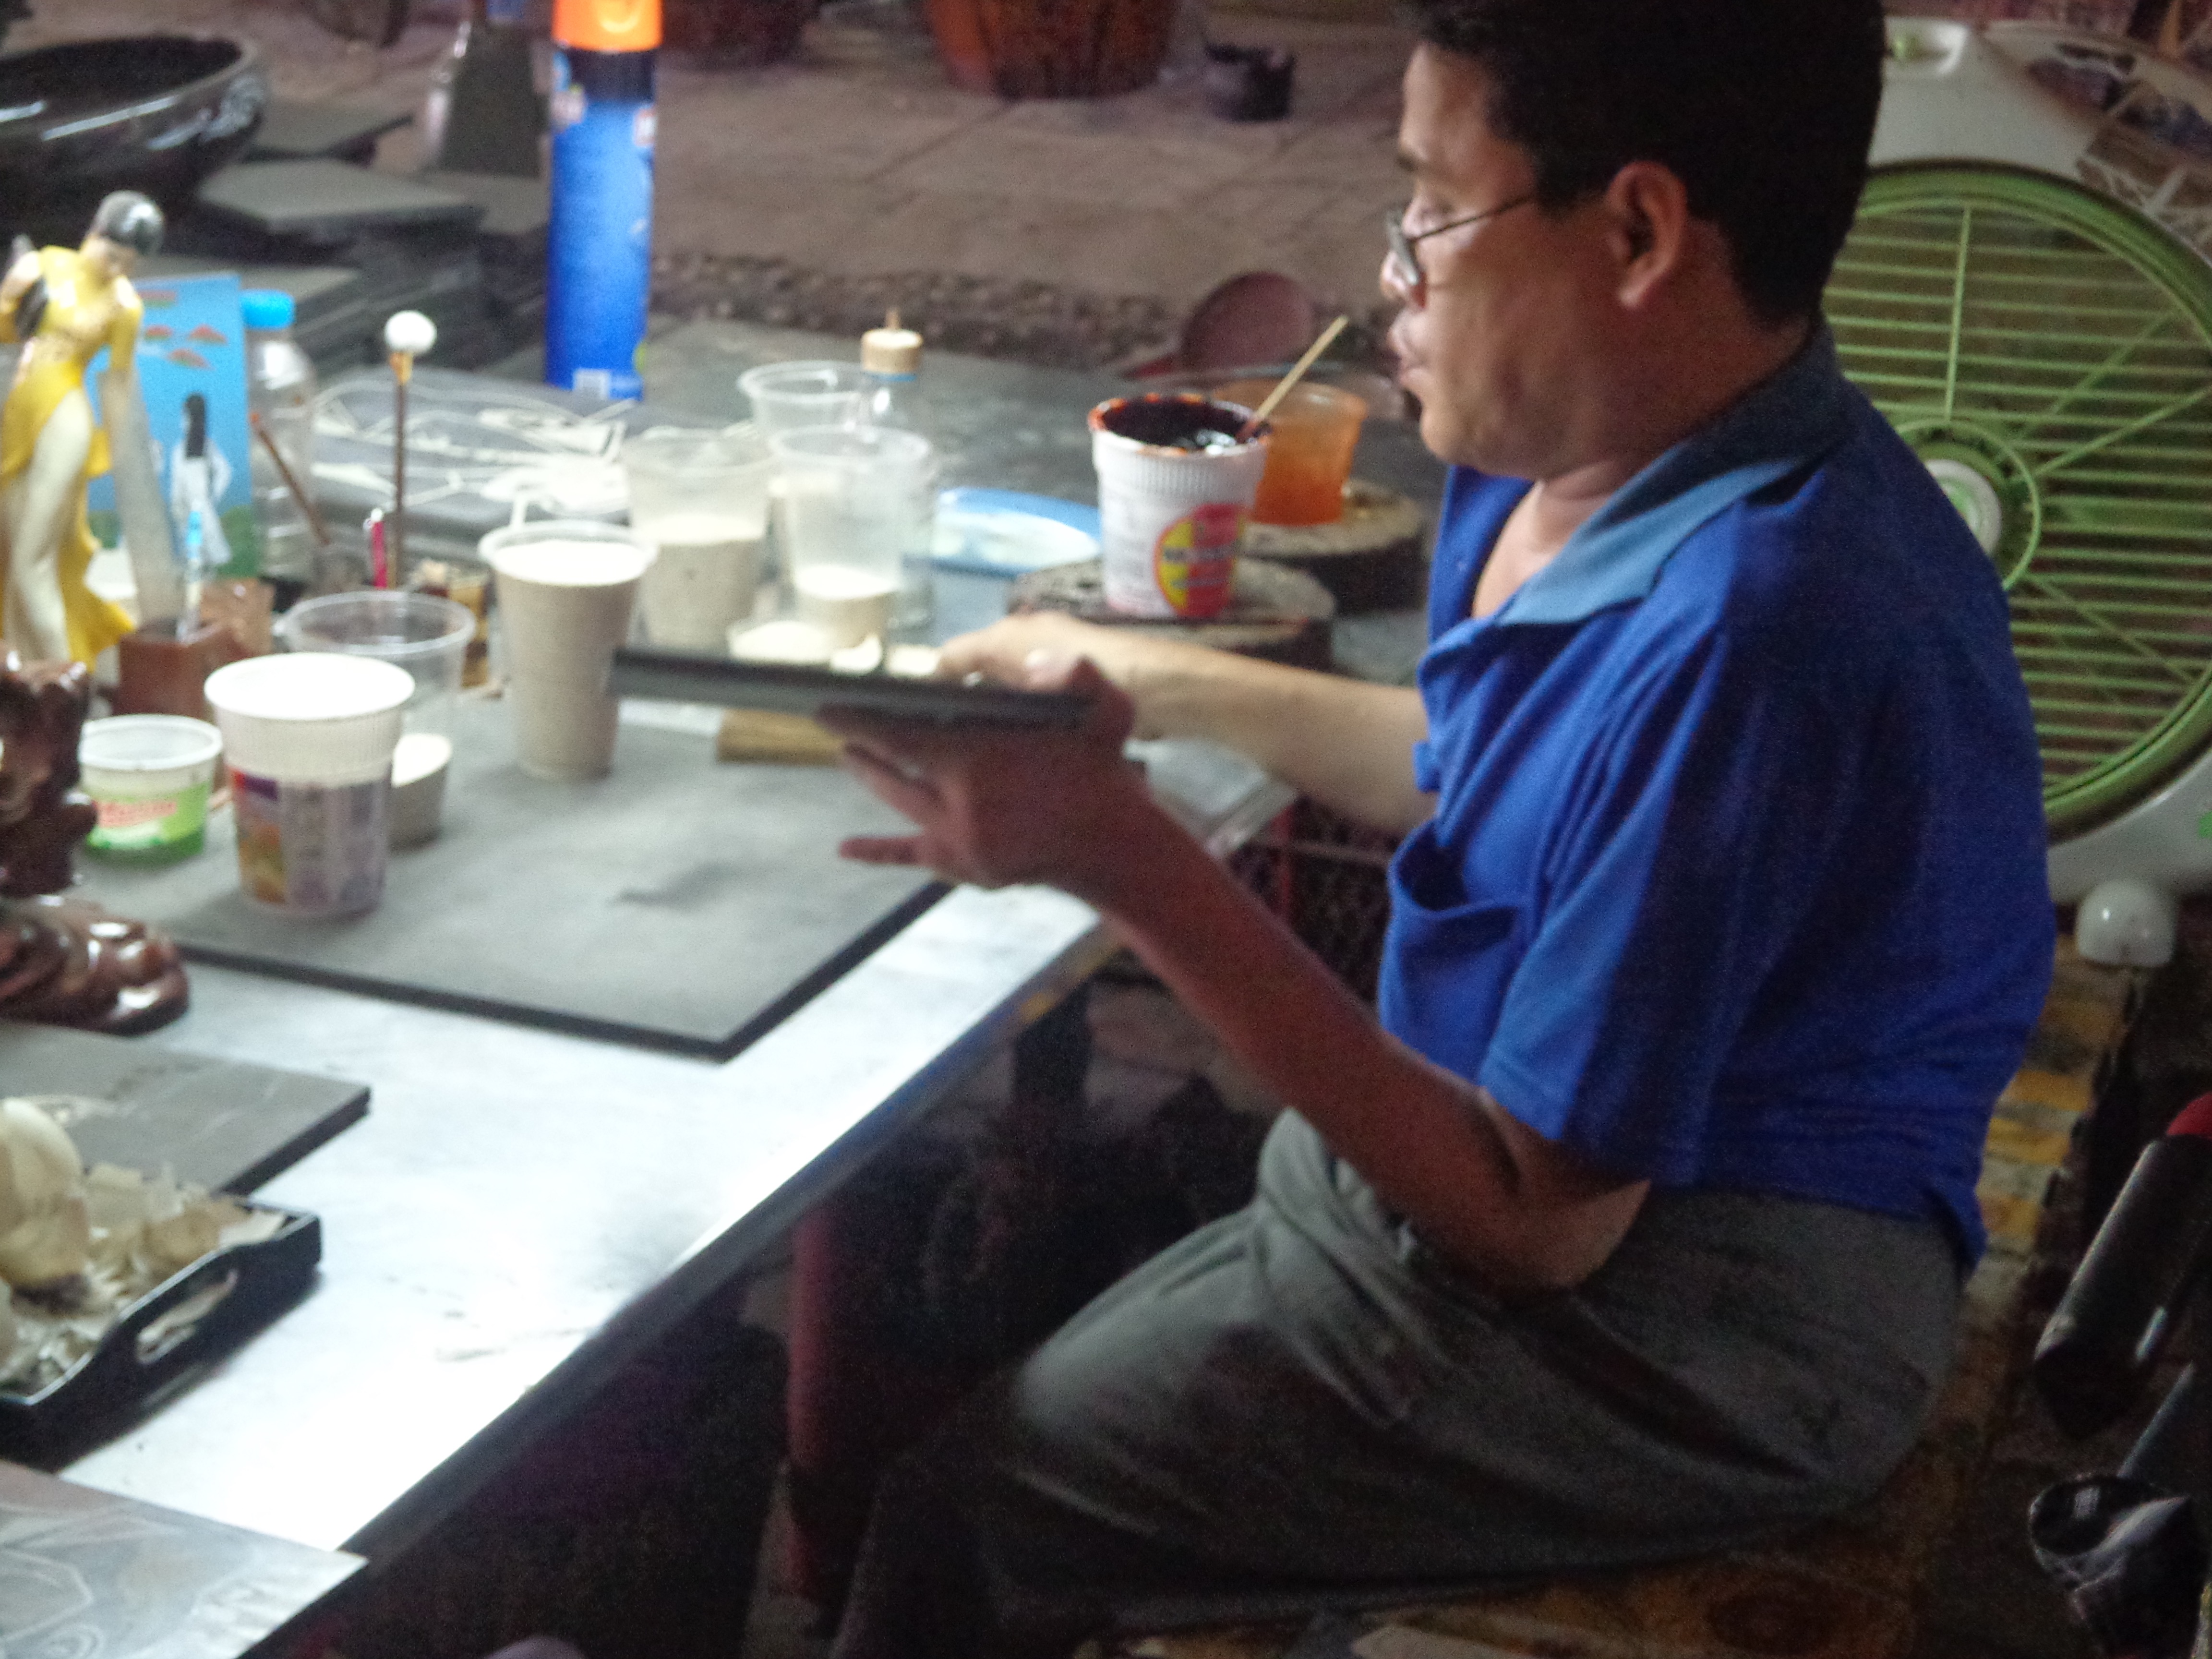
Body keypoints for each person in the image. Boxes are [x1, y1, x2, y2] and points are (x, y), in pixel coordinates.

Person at [817, 1, 2057, 1654]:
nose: (1393, 268)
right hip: (1511, 1209)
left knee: (972, 1509)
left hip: (1697, 1332)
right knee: (1063, 1318)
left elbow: (1534, 1221)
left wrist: (1124, 858)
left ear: (1637, 233)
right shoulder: (1595, 453)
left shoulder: (1757, 629)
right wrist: (1151, 679)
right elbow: (1487, 765)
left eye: (1435, 205)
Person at [0, 192, 161, 667]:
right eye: (112, 255)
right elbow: (7, 330)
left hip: (64, 421)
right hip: (20, 414)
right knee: (9, 553)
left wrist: (118, 447)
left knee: (33, 561)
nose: (116, 269)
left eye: (128, 264)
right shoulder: (47, 265)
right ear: (94, 233)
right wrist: (12, 296)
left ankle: (65, 684)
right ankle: (24, 677)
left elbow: (120, 381)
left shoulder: (125, 306)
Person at [168, 392, 235, 577]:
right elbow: (177, 481)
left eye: (186, 417)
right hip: (186, 505)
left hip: (200, 507)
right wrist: (176, 502)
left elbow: (225, 472)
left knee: (199, 546)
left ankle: (205, 577)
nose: (183, 422)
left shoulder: (206, 447)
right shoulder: (179, 450)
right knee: (192, 547)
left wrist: (212, 496)